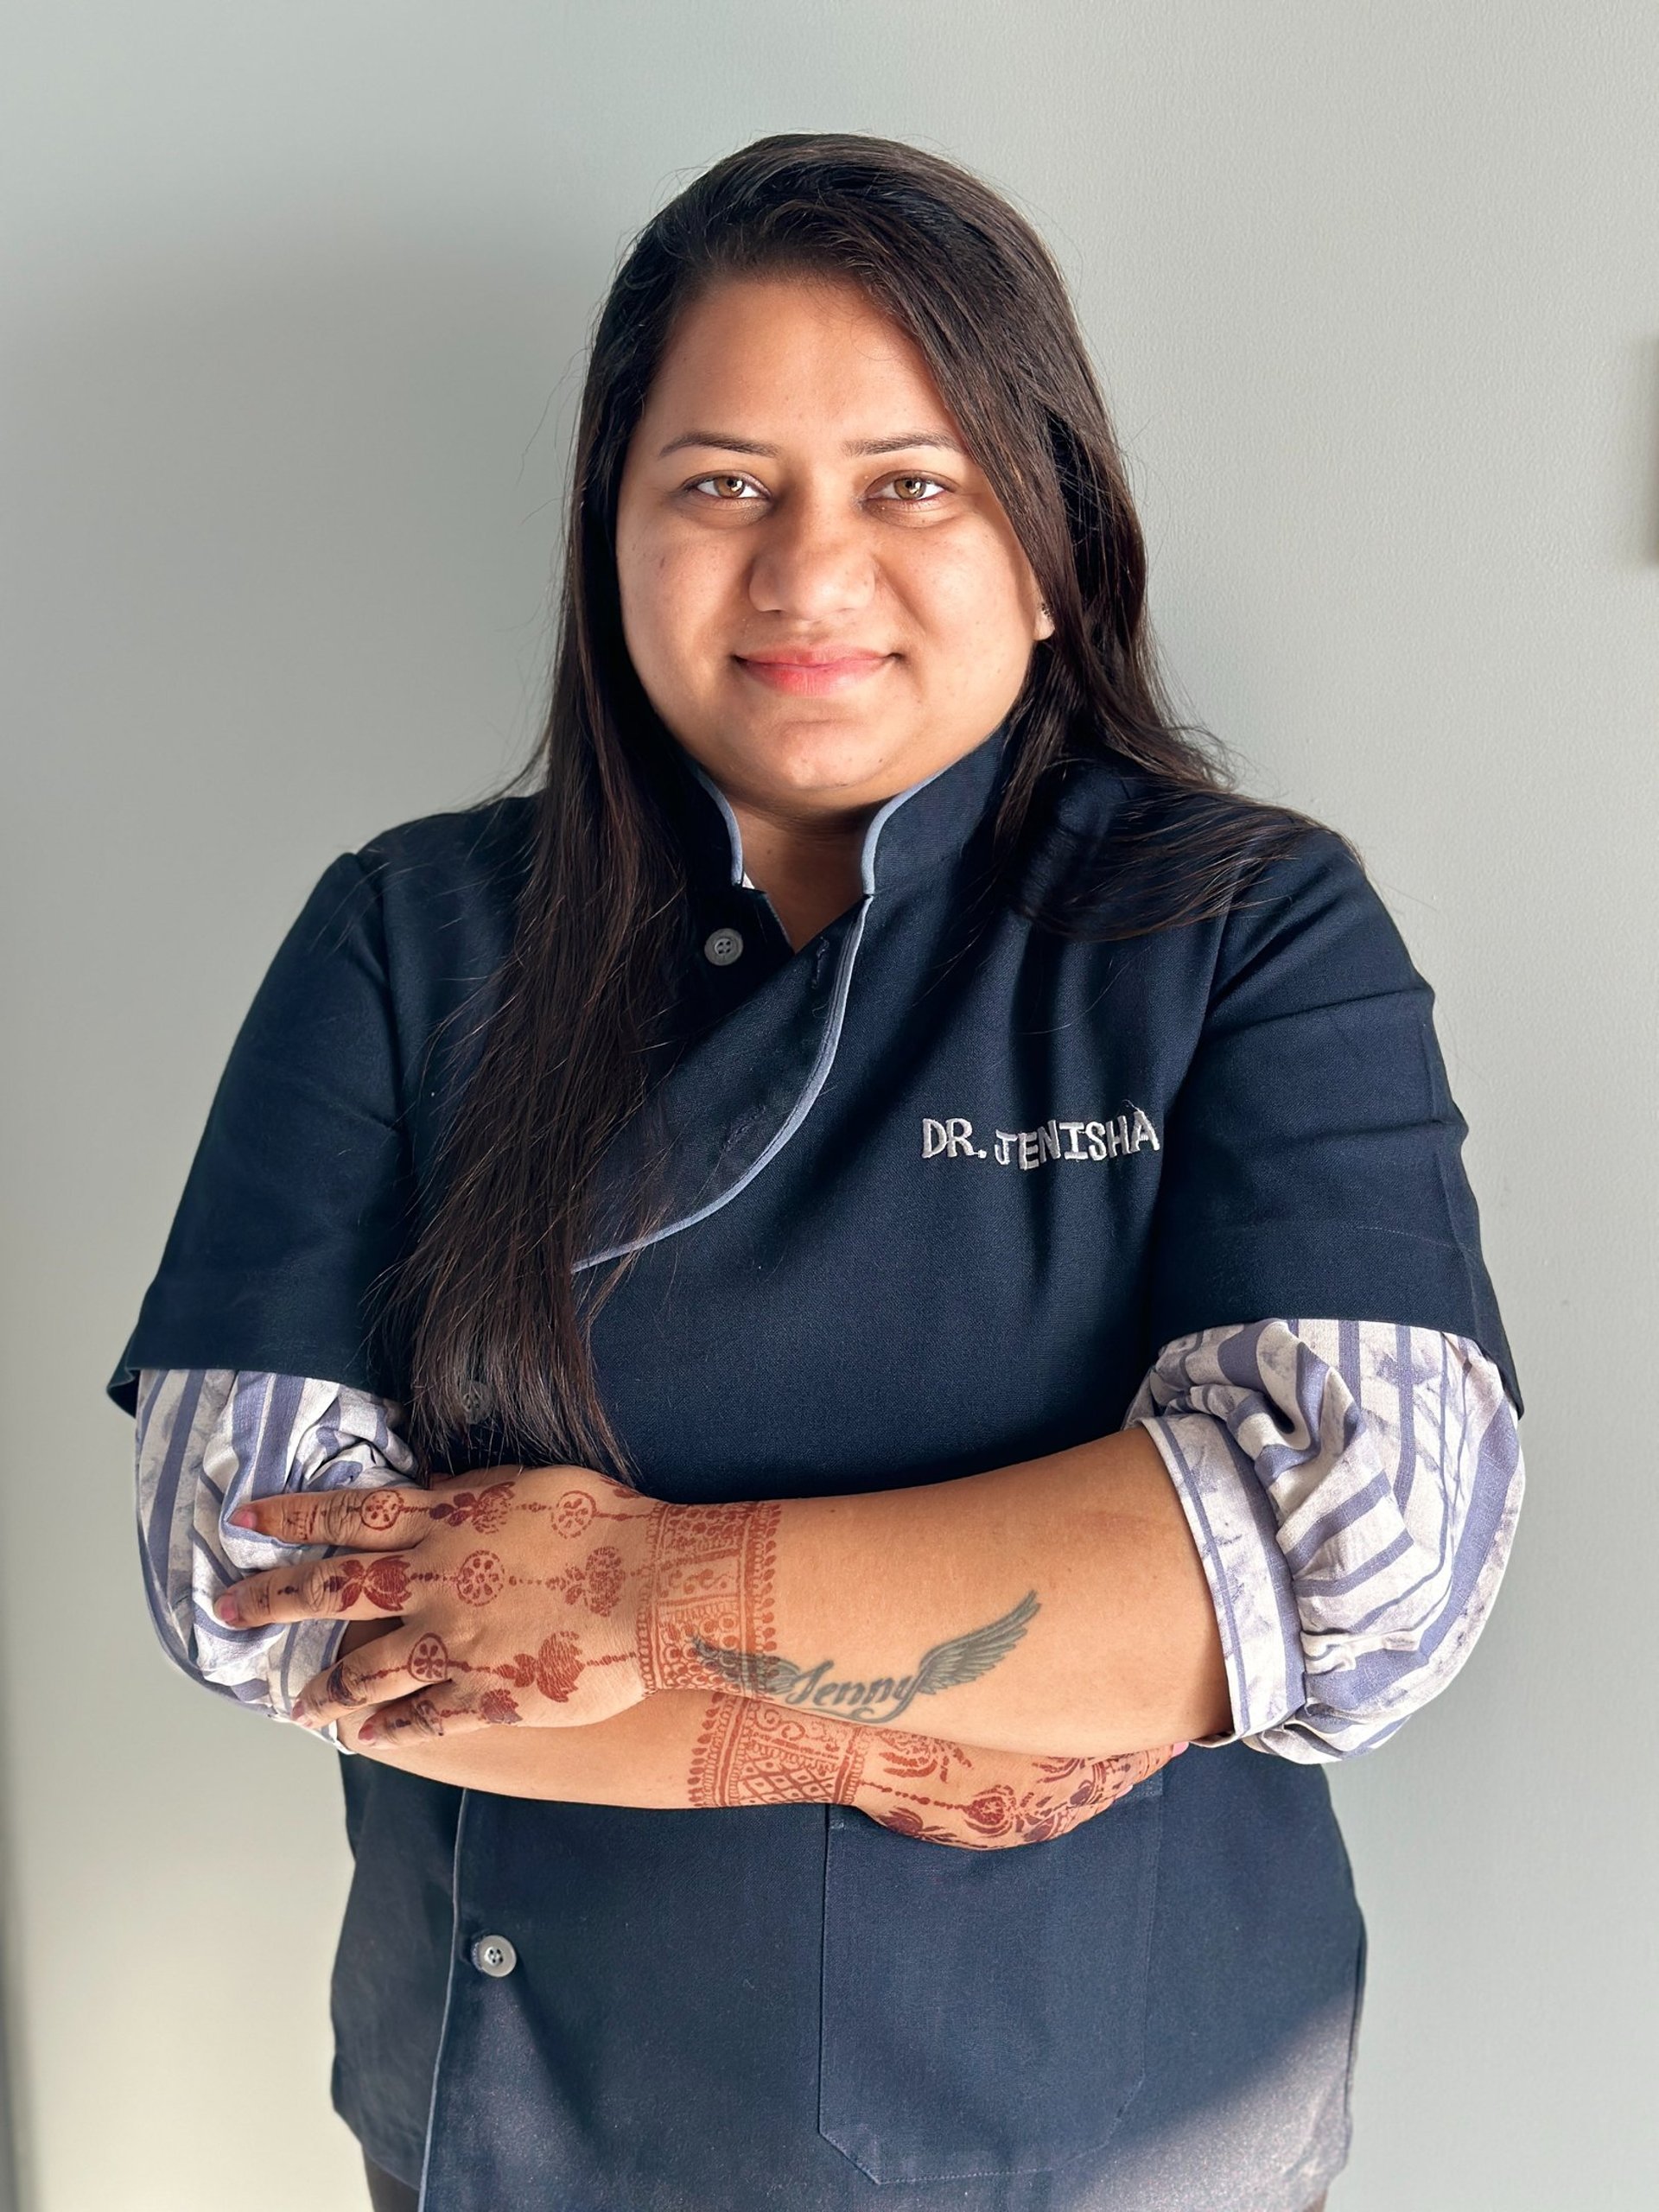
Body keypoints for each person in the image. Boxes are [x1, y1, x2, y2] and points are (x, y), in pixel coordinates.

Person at [111, 133, 1524, 2212]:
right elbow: (249, 1572)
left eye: (910, 482)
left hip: (1126, 2132)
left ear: (1050, 548)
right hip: (532, 2133)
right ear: (612, 534)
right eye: (720, 484)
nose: (808, 573)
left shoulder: (1244, 928)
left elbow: (1363, 1564)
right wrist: (974, 1699)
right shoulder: (405, 937)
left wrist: (625, 1589)